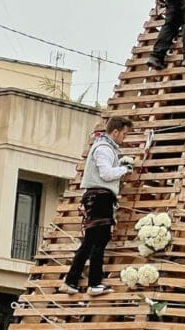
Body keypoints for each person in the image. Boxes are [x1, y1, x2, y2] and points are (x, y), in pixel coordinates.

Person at [58, 117, 134, 296]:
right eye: (123, 134)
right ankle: (94, 283)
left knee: (90, 241)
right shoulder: (104, 149)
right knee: (100, 239)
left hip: (97, 198)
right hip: (100, 198)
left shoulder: (105, 147)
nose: (124, 138)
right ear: (115, 132)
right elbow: (106, 173)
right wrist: (125, 169)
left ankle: (71, 280)